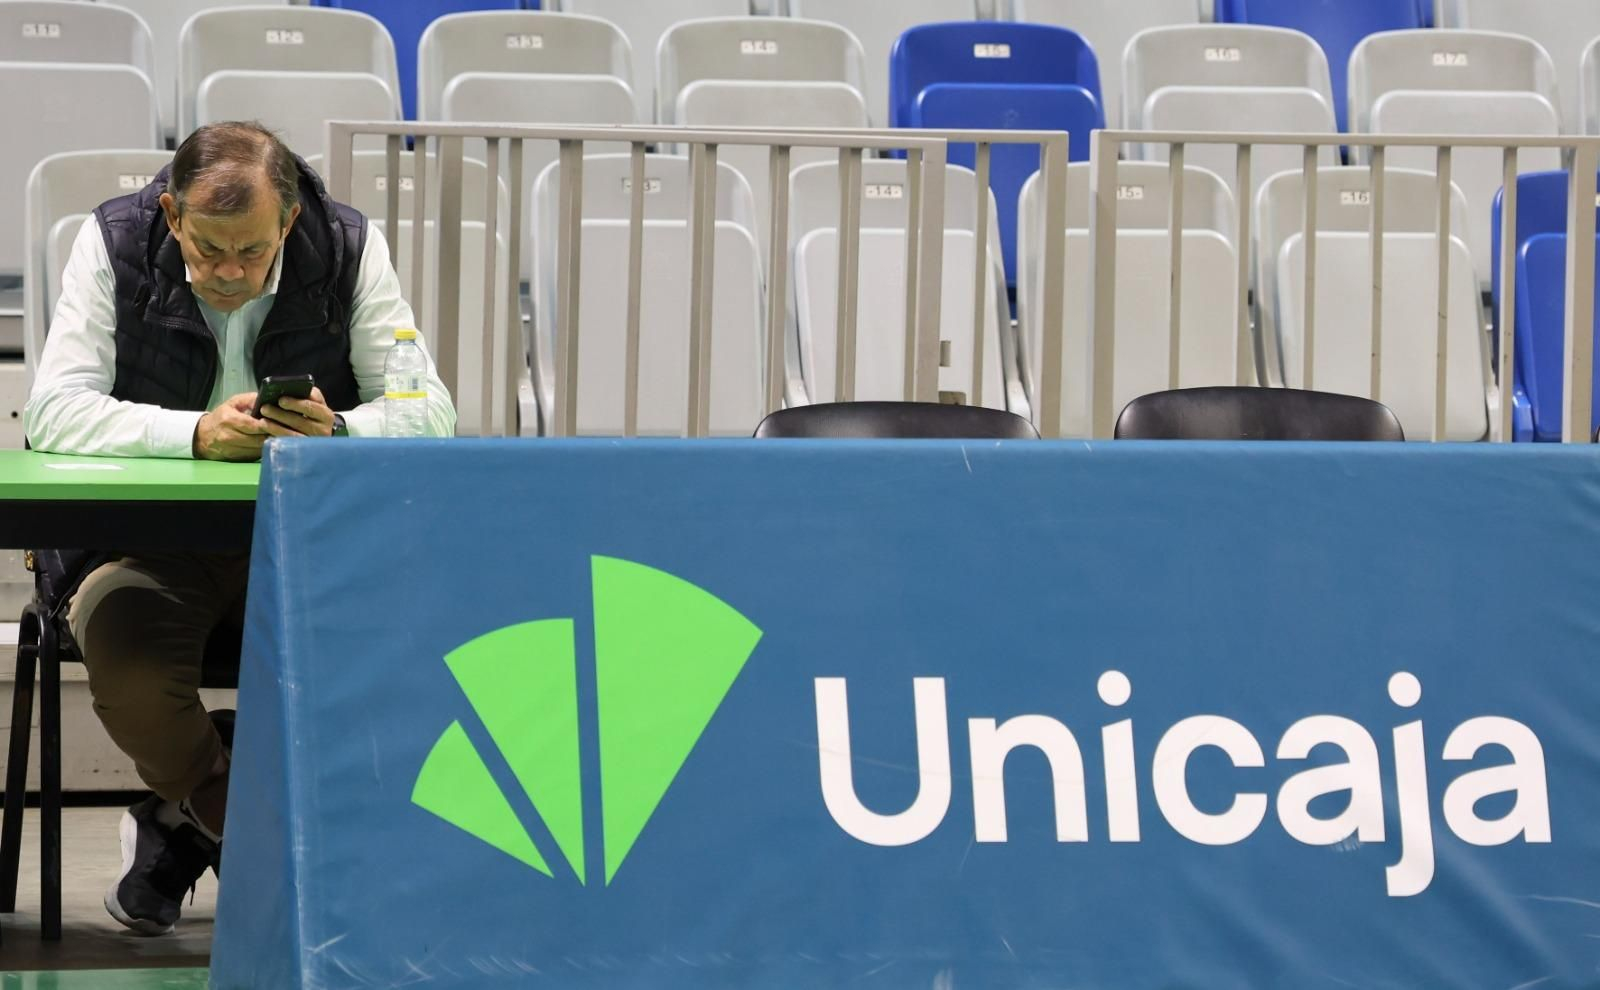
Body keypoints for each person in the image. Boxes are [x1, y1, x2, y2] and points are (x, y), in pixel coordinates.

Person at [23, 121, 457, 935]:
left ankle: (180, 826)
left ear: (288, 224)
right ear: (172, 214)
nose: (227, 274)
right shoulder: (113, 241)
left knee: (397, 657)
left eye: (250, 253)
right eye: (206, 249)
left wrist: (341, 432)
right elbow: (51, 412)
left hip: (307, 546)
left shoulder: (347, 246)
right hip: (149, 549)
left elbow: (429, 412)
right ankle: (236, 812)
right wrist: (193, 433)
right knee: (123, 650)